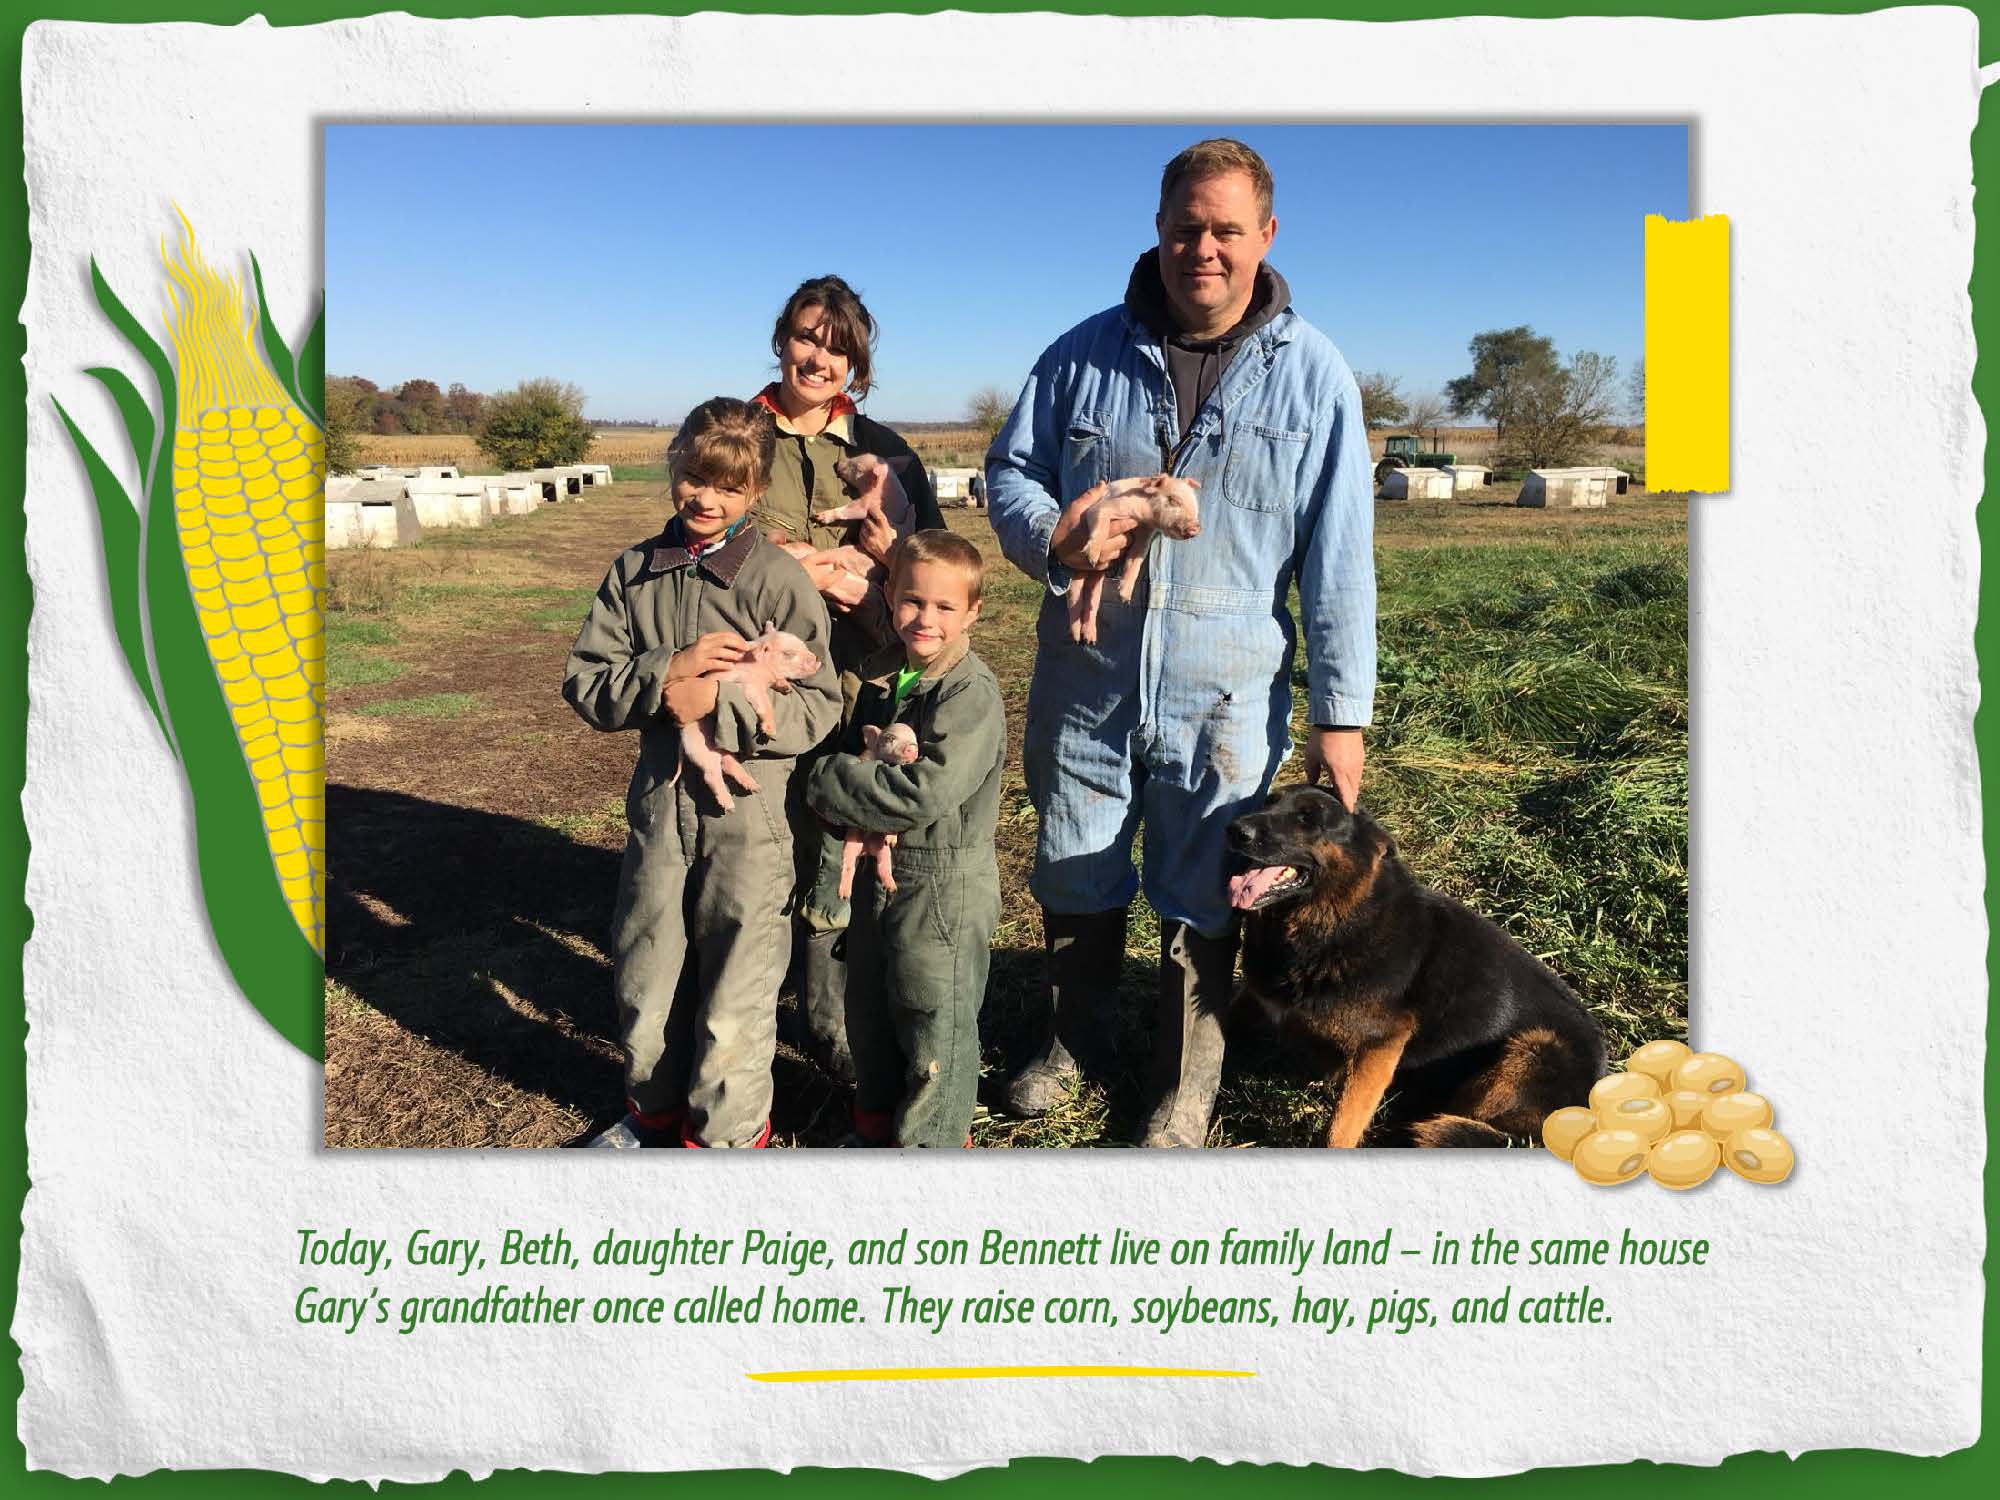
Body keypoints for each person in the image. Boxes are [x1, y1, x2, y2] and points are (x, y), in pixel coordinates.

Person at [985, 138, 1377, 1148]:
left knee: (1207, 882)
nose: (1201, 248)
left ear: (1265, 236)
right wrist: (1053, 537)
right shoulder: (1080, 353)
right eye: (1183, 229)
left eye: (1224, 230)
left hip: (1224, 689)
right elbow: (1009, 472)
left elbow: (1337, 558)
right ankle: (1075, 1042)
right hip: (1087, 671)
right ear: (1158, 232)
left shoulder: (1314, 375)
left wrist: (1342, 715)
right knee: (1073, 863)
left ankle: (1183, 1085)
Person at [563, 397, 840, 1148]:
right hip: (661, 813)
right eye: (693, 477)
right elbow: (586, 682)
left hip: (752, 826)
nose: (706, 499)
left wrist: (721, 702)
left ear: (755, 493)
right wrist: (667, 675)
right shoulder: (635, 572)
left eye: (728, 487)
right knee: (647, 974)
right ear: (674, 466)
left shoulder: (779, 580)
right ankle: (651, 1117)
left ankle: (724, 1142)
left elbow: (820, 705)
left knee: (735, 991)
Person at [749, 275, 944, 1090]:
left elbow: (936, 563)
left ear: (856, 363)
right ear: (781, 340)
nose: (817, 357)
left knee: (841, 840)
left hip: (860, 678)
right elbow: (711, 538)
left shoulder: (886, 450)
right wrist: (808, 567)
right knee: (759, 844)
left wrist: (880, 566)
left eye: (837, 346)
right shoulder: (737, 433)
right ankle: (750, 1004)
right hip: (762, 678)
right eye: (805, 336)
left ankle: (830, 1017)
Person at [805, 530, 1005, 1148]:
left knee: (932, 1018)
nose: (926, 618)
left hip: (942, 883)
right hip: (878, 876)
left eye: (946, 607)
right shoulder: (879, 675)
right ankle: (876, 1130)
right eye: (913, 601)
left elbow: (923, 794)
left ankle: (931, 1150)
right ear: (889, 597)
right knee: (869, 1007)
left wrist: (823, 778)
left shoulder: (968, 693)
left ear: (972, 612)